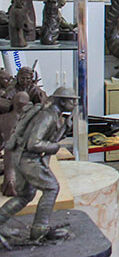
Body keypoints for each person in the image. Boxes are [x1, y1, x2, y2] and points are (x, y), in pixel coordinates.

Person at [0, 86, 78, 244]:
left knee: (25, 195)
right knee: (51, 188)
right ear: (62, 101)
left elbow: (49, 139)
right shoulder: (47, 116)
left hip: (22, 158)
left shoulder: (53, 114)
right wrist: (55, 148)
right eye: (72, 100)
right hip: (28, 159)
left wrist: (65, 128)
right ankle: (39, 230)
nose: (75, 104)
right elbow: (34, 143)